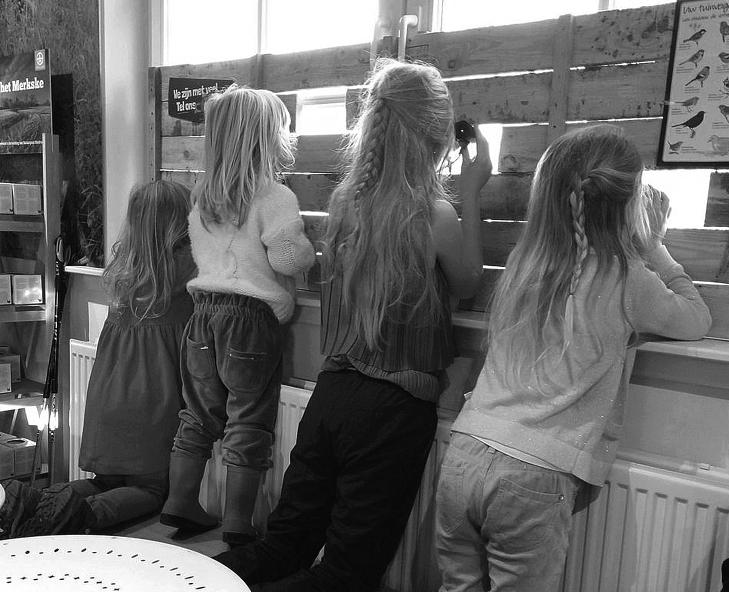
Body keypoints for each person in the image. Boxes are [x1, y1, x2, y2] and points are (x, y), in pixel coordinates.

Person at [214, 59, 490, 591]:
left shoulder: (346, 203)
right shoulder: (433, 214)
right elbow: (467, 281)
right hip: (393, 408)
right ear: (436, 135)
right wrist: (473, 190)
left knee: (282, 545)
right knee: (345, 575)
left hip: (334, 393)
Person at [435, 124, 712, 592]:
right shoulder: (628, 278)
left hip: (464, 451)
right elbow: (696, 318)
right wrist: (654, 246)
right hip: (533, 476)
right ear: (629, 205)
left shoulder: (524, 264)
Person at [159, 85, 315, 547]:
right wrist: (308, 251)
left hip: (202, 316)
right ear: (266, 138)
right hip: (249, 320)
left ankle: (180, 502)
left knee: (197, 413)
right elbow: (287, 259)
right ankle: (238, 522)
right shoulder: (274, 196)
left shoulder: (203, 196)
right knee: (248, 420)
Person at [0, 179, 196, 537]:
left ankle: (31, 502)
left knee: (104, 481)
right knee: (152, 491)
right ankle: (74, 517)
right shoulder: (183, 288)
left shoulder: (125, 285)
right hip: (149, 410)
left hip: (108, 403)